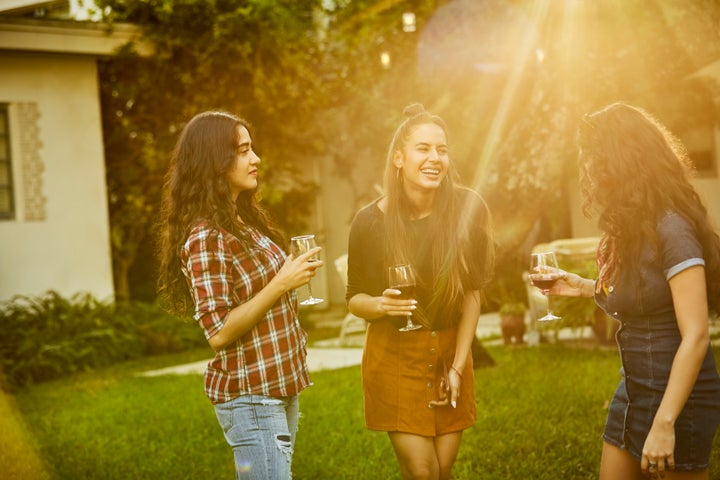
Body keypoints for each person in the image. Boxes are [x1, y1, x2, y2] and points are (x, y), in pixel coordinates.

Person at [549, 102, 720, 480]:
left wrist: (665, 423)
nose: (589, 169)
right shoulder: (632, 227)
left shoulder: (671, 228)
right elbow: (644, 301)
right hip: (634, 392)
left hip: (680, 400)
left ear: (621, 160)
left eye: (594, 157)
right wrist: (582, 287)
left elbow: (695, 336)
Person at [156, 111, 322, 479]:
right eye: (243, 151)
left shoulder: (241, 219)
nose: (255, 159)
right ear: (215, 161)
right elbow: (218, 332)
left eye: (252, 149)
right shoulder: (205, 236)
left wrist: (289, 279)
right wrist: (282, 281)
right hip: (251, 393)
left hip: (278, 383)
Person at [345, 103, 494, 480]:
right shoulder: (368, 222)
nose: (434, 158)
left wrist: (458, 366)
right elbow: (354, 298)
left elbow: (472, 295)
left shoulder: (468, 209)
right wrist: (379, 304)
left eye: (441, 150)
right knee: (424, 472)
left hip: (449, 355)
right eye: (423, 149)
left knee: (441, 470)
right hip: (394, 357)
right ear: (399, 158)